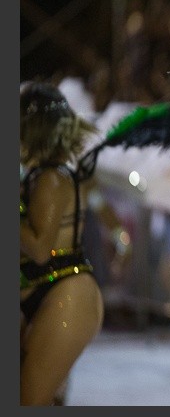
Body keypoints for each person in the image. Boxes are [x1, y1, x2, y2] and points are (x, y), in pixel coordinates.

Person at [20, 82, 105, 405]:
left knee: (30, 400)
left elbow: (40, 248)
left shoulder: (51, 178)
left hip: (65, 293)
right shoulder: (40, 175)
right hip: (48, 291)